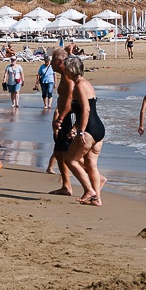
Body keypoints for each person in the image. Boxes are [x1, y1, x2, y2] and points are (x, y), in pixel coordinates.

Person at [60, 55, 105, 205]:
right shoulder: (86, 83)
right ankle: (97, 199)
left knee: (70, 160)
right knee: (91, 165)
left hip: (90, 130)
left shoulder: (79, 85)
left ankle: (89, 190)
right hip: (98, 129)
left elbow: (86, 110)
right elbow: (84, 111)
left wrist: (81, 131)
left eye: (66, 68)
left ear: (72, 69)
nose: (64, 71)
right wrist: (75, 127)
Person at [47, 46, 74, 193]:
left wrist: (60, 118)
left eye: (52, 61)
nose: (50, 63)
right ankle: (66, 185)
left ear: (59, 62)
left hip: (68, 117)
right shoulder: (64, 75)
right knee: (59, 152)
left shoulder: (68, 76)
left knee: (71, 155)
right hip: (64, 116)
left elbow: (70, 100)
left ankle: (96, 178)